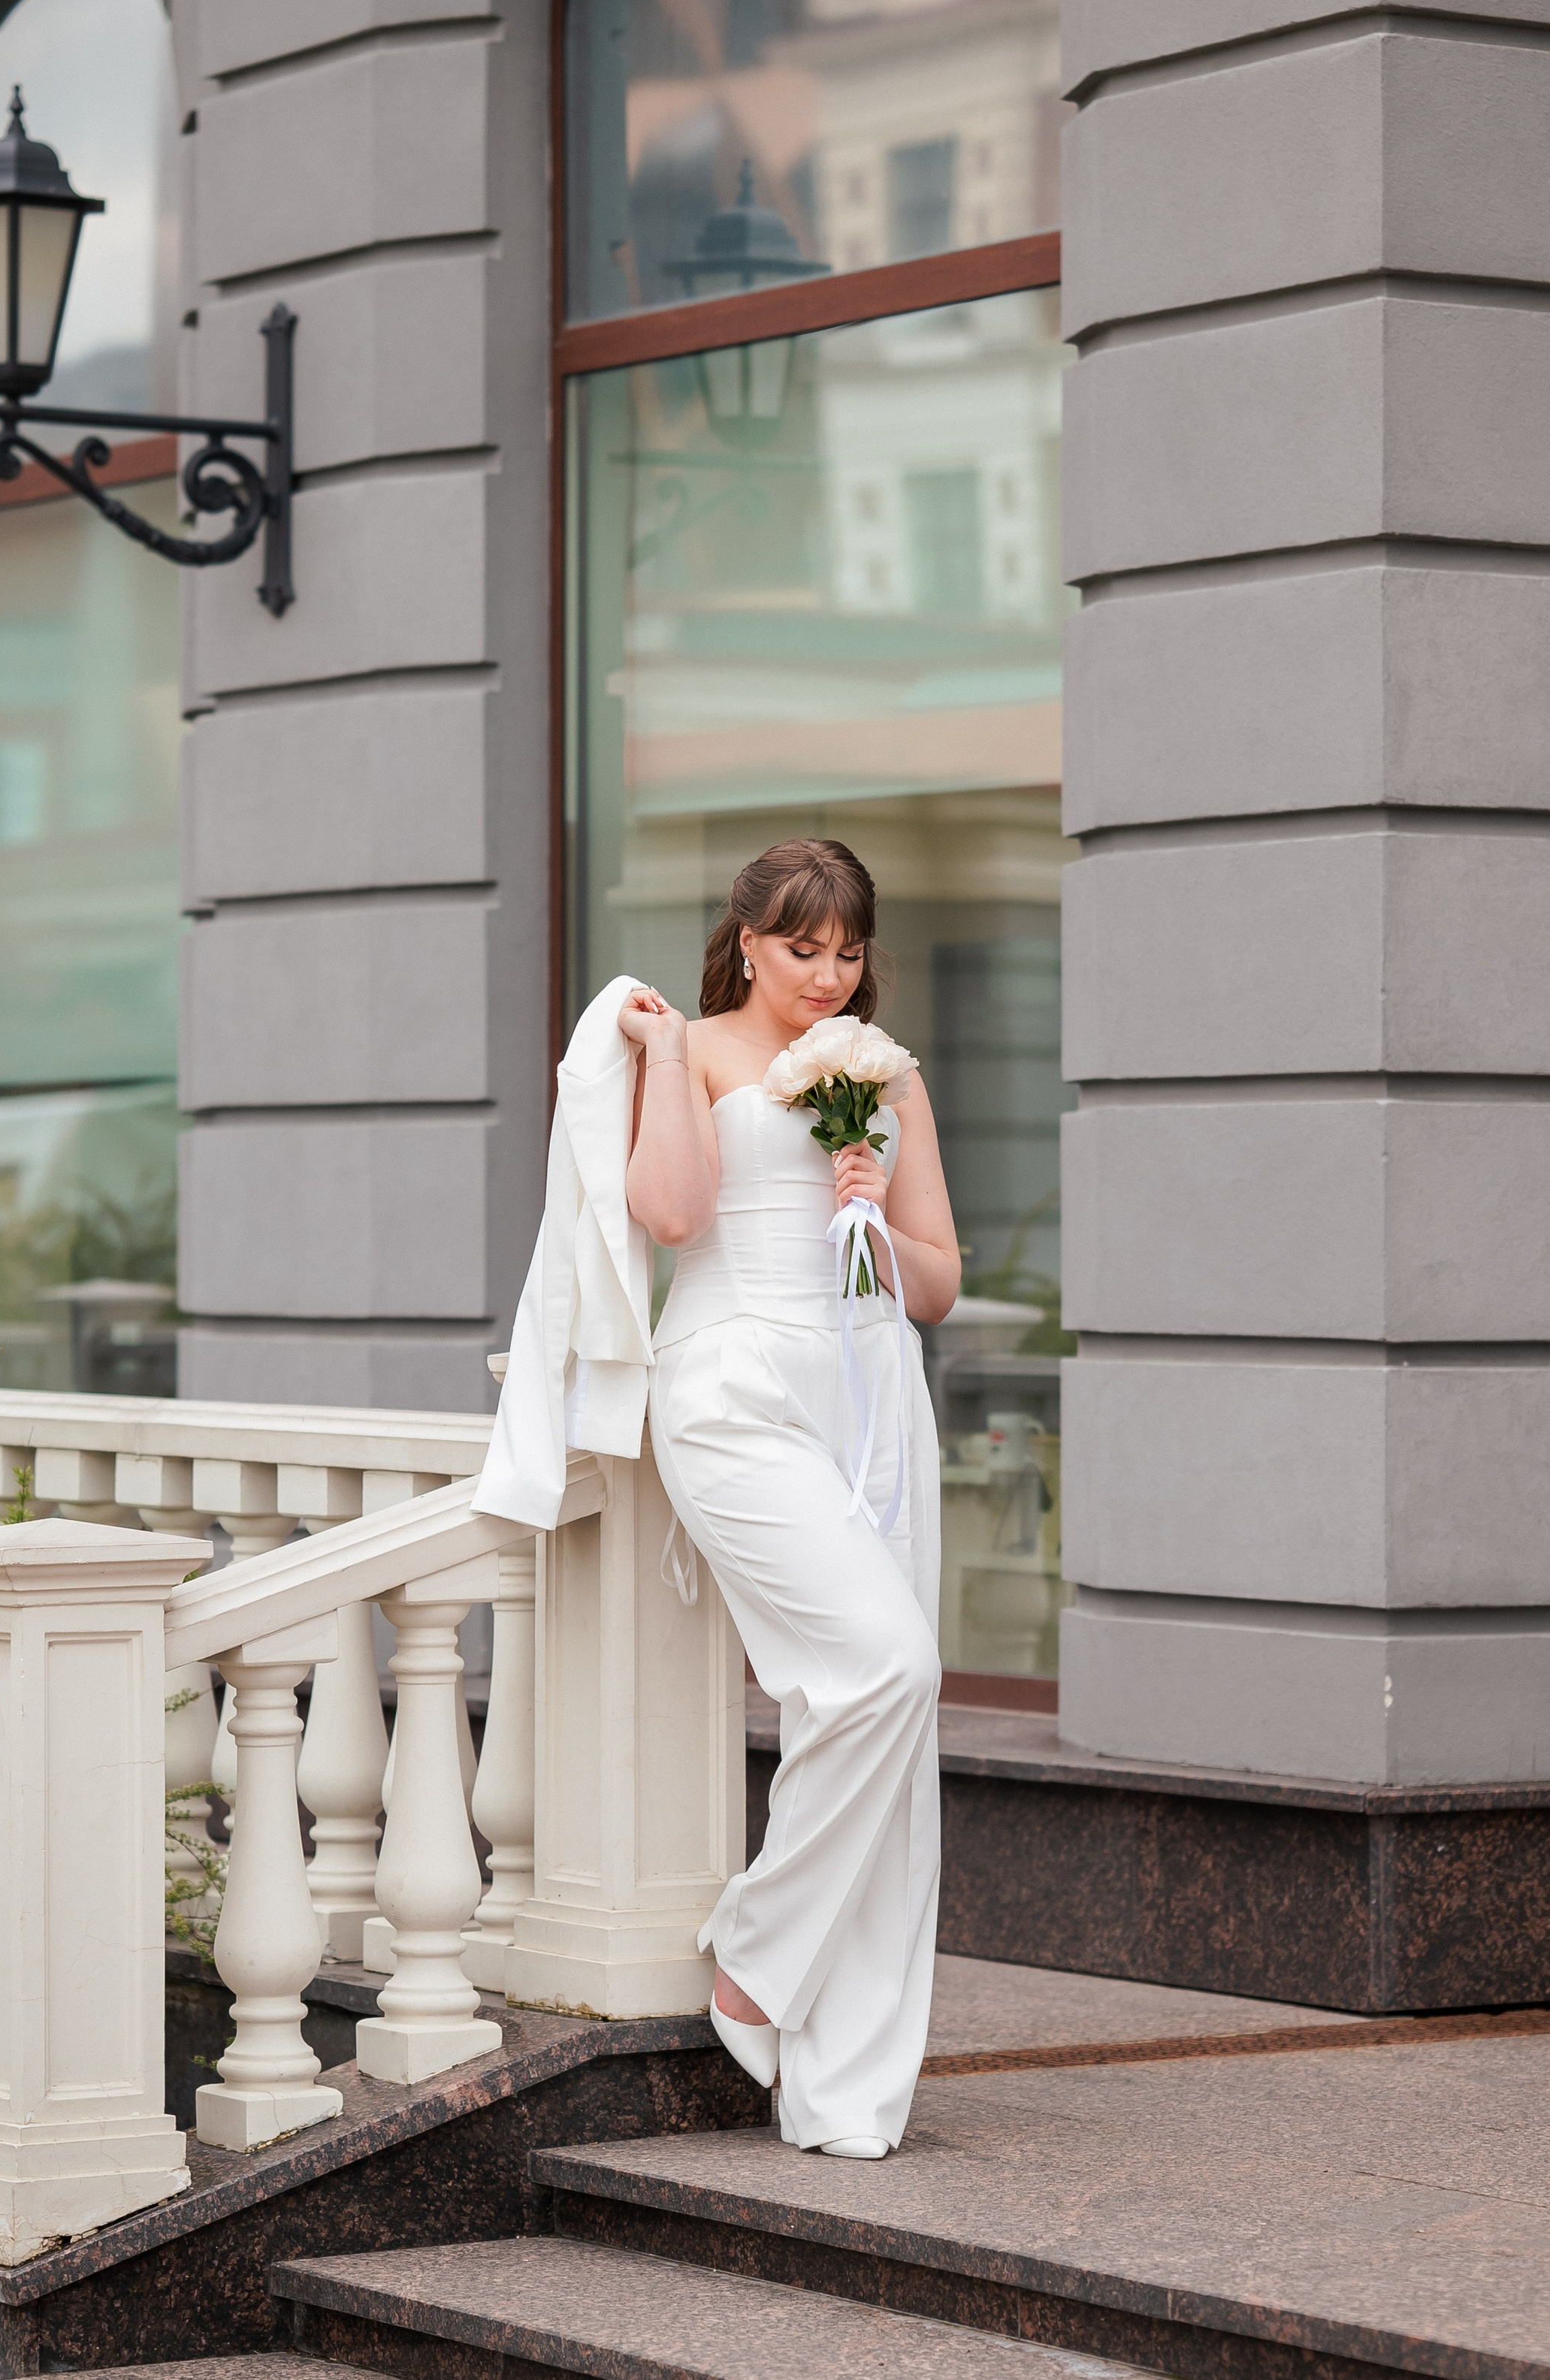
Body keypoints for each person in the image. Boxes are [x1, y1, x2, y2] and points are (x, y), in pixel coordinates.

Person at [618, 837, 960, 2158]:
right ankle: (758, 1955)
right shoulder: (694, 1050)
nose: (828, 976)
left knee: (875, 1713)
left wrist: (872, 1214)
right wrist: (665, 1061)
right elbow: (669, 1218)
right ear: (749, 940)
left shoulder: (887, 1073)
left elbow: (937, 1284)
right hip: (734, 1385)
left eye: (848, 952)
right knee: (889, 1665)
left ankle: (846, 2086)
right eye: (803, 949)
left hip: (869, 1391)